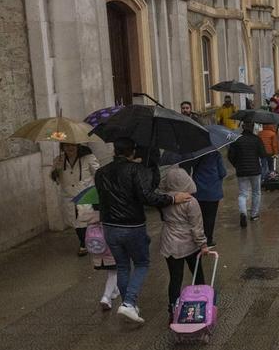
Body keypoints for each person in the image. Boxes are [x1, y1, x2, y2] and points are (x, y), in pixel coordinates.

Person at [95, 137, 191, 324]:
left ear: (115, 150)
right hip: (132, 226)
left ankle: (128, 304)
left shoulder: (101, 172)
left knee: (122, 266)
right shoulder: (135, 170)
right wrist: (172, 199)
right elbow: (147, 196)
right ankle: (129, 303)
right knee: (141, 264)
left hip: (109, 227)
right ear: (132, 152)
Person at [158, 168, 208, 322]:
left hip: (169, 243)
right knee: (197, 275)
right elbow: (196, 226)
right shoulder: (190, 201)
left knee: (175, 278)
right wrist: (203, 244)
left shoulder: (164, 199)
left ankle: (173, 310)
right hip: (189, 243)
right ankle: (202, 306)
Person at [50, 143, 99, 256]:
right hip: (69, 195)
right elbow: (54, 178)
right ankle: (85, 241)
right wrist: (56, 170)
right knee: (76, 222)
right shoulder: (59, 160)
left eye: (72, 145)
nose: (69, 148)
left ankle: (84, 243)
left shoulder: (88, 158)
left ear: (77, 146)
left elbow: (98, 173)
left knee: (84, 221)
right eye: (66, 146)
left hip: (85, 194)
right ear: (62, 147)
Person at [227, 121, 267, 227]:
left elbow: (230, 156)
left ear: (243, 127)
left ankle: (243, 213)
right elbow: (263, 154)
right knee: (256, 192)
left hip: (241, 170)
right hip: (255, 170)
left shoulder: (236, 139)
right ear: (253, 127)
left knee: (242, 193)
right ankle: (254, 214)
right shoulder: (256, 139)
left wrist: (237, 165)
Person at [82, 206, 119, 311]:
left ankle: (115, 290)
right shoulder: (111, 212)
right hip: (110, 249)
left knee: (110, 272)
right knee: (113, 272)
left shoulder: (90, 216)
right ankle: (106, 297)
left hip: (97, 250)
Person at [190, 151, 227, 247]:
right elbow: (222, 172)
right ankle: (208, 240)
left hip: (198, 191)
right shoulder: (215, 154)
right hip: (213, 191)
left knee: (199, 216)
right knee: (210, 217)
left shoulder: (195, 154)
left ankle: (199, 239)